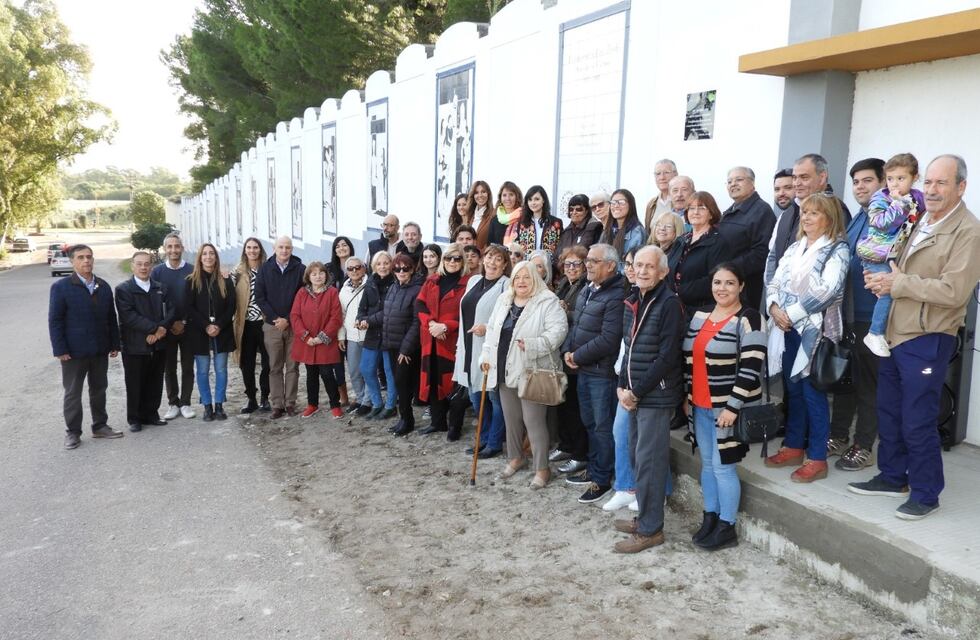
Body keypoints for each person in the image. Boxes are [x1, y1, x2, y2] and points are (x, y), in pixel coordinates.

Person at [851, 154, 980, 520]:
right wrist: (882, 281)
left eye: (942, 183)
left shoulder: (969, 232)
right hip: (895, 330)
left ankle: (925, 493)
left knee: (917, 418)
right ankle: (893, 477)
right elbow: (899, 267)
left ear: (961, 187)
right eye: (929, 182)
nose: (932, 190)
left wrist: (898, 283)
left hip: (927, 335)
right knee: (889, 409)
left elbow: (954, 292)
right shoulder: (921, 217)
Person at [765, 193, 849, 482]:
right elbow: (775, 280)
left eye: (815, 213)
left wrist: (791, 313)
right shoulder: (794, 248)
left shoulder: (837, 249)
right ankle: (793, 446)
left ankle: (817, 457)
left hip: (815, 332)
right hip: (787, 329)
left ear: (829, 218)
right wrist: (774, 308)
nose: (807, 217)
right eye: (805, 212)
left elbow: (828, 290)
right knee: (793, 391)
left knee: (813, 393)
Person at [683, 262, 765, 550]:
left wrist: (733, 407)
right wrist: (686, 398)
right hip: (699, 404)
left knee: (723, 468)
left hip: (727, 409)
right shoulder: (700, 316)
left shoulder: (749, 318)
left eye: (730, 282)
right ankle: (711, 517)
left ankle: (727, 527)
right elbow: (688, 360)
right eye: (717, 282)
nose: (722, 288)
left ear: (741, 286)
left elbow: (751, 367)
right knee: (707, 465)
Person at [611, 245, 685, 553]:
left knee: (650, 463)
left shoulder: (669, 304)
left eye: (649, 266)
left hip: (655, 395)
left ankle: (651, 530)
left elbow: (667, 356)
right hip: (634, 393)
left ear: (663, 272)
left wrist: (636, 391)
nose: (641, 270)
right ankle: (644, 518)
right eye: (638, 265)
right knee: (637, 458)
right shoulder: (634, 299)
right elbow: (628, 349)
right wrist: (621, 386)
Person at [480, 260, 568, 489]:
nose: (521, 281)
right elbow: (492, 332)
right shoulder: (504, 299)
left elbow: (558, 332)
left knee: (533, 421)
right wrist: (485, 357)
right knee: (511, 419)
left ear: (535, 279)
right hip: (503, 367)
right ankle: (516, 457)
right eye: (517, 277)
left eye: (527, 277)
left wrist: (533, 345)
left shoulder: (547, 301)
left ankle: (542, 469)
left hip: (532, 370)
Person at [827, 158, 885, 471]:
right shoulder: (858, 218)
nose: (860, 187)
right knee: (845, 381)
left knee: (868, 386)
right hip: (848, 315)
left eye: (867, 180)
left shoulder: (890, 219)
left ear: (883, 182)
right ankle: (838, 436)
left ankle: (863, 445)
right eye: (856, 182)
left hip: (872, 317)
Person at [562, 244, 625, 504]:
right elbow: (576, 325)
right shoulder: (589, 289)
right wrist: (568, 350)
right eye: (587, 259)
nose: (587, 264)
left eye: (594, 261)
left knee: (602, 427)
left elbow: (609, 339)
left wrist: (577, 355)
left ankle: (602, 478)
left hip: (601, 373)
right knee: (589, 423)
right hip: (584, 369)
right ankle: (595, 467)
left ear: (610, 265)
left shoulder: (617, 294)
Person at [49, 244, 124, 449]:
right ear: (72, 261)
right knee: (73, 392)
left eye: (89, 257)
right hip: (73, 352)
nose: (86, 261)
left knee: (99, 389)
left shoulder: (103, 286)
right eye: (81, 257)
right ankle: (73, 432)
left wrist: (114, 343)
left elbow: (111, 317)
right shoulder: (61, 287)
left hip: (99, 349)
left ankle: (100, 426)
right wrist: (60, 349)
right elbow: (55, 320)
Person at [856, 154, 926, 357]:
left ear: (914, 177)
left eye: (901, 178)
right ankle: (874, 333)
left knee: (893, 292)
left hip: (895, 255)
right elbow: (881, 223)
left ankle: (887, 332)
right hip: (876, 254)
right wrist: (898, 203)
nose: (894, 184)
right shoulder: (881, 197)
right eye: (890, 178)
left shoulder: (918, 197)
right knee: (887, 292)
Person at [453, 244, 511, 457]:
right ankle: (483, 438)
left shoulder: (506, 285)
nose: (492, 262)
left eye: (498, 259)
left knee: (494, 399)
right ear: (482, 259)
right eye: (489, 257)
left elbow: (510, 318)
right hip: (469, 348)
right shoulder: (474, 280)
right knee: (476, 398)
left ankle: (494, 443)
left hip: (491, 350)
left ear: (504, 264)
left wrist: (487, 328)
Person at [766, 153, 852, 286]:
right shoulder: (788, 212)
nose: (797, 183)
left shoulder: (836, 211)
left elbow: (834, 261)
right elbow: (773, 255)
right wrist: (772, 292)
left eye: (804, 177)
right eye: (794, 178)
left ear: (822, 177)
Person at [416, 244, 471, 438]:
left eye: (457, 258)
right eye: (449, 258)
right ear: (443, 260)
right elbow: (420, 304)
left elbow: (470, 314)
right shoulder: (432, 280)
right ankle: (437, 422)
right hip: (430, 339)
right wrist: (431, 324)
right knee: (433, 381)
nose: (452, 262)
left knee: (454, 384)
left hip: (452, 341)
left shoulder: (469, 283)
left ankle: (455, 426)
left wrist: (446, 326)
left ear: (463, 261)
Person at [364, 253, 422, 436]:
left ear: (412, 270)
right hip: (391, 344)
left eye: (405, 268)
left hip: (405, 348)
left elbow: (417, 323)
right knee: (398, 382)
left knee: (403, 384)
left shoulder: (417, 290)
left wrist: (406, 349)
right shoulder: (394, 287)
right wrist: (368, 320)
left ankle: (407, 421)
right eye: (397, 268)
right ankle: (403, 419)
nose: (401, 271)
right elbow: (386, 313)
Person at [115, 251, 174, 432]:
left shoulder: (161, 288)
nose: (143, 267)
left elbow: (171, 311)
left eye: (147, 264)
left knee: (155, 380)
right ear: (132, 266)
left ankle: (151, 414)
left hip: (159, 343)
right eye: (139, 264)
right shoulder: (124, 289)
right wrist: (155, 329)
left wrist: (161, 329)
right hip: (135, 345)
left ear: (152, 266)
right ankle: (135, 418)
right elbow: (129, 317)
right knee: (135, 383)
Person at [604, 247, 639, 511]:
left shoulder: (663, 300)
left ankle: (652, 490)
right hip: (625, 375)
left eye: (635, 263)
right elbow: (626, 344)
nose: (631, 269)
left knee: (646, 440)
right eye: (627, 263)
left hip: (645, 381)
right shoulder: (630, 297)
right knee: (621, 432)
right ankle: (627, 486)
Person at [185, 243, 237, 421]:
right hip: (199, 332)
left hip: (222, 331)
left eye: (211, 253)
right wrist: (206, 326)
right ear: (200, 258)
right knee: (202, 370)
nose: (208, 257)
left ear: (216, 257)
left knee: (221, 369)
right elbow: (189, 308)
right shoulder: (191, 281)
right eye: (205, 254)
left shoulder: (225, 279)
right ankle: (207, 406)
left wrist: (218, 326)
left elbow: (231, 306)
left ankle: (219, 405)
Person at [255, 236, 305, 419]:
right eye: (281, 247)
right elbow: (260, 297)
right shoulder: (264, 269)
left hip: (293, 325)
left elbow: (303, 297)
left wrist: (289, 319)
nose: (284, 250)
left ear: (292, 249)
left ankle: (290, 403)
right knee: (274, 367)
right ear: (274, 248)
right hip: (272, 325)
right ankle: (277, 404)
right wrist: (276, 318)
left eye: (288, 247)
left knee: (292, 367)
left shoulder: (300, 269)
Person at [550, 245, 590, 475]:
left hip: (576, 352)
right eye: (567, 264)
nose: (572, 268)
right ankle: (566, 445)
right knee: (563, 404)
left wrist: (565, 312)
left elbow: (586, 317)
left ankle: (579, 454)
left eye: (576, 264)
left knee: (575, 407)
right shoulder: (564, 283)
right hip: (561, 351)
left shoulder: (585, 285)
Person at [290, 261, 344, 419]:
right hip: (307, 342)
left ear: (326, 275)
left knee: (327, 374)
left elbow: (336, 318)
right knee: (311, 374)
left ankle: (335, 405)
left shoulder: (332, 292)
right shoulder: (302, 293)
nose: (318, 276)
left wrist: (322, 337)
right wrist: (305, 336)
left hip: (325, 342)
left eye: (321, 273)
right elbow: (295, 316)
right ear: (308, 277)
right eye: (314, 274)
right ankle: (312, 405)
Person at [718, 167, 777, 309]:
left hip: (744, 288)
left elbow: (761, 253)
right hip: (725, 283)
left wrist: (728, 268)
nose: (733, 184)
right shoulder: (729, 212)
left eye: (739, 179)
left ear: (752, 183)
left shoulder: (762, 211)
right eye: (729, 181)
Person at [151, 232, 195, 420]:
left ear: (182, 248)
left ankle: (185, 403)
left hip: (188, 327)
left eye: (177, 246)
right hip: (166, 329)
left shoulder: (192, 270)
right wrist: (167, 324)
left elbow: (196, 300)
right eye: (169, 246)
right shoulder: (157, 272)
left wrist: (183, 321)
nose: (173, 250)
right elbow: (155, 301)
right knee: (169, 368)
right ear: (164, 249)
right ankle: (173, 403)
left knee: (187, 367)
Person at [670, 191, 730, 317]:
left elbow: (715, 278)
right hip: (674, 305)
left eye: (701, 208)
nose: (695, 212)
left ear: (711, 213)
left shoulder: (718, 242)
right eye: (691, 208)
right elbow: (667, 269)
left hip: (700, 310)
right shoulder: (681, 239)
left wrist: (680, 292)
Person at [356, 251, 397, 420]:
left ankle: (391, 406)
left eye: (386, 263)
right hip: (372, 334)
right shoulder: (370, 283)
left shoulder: (396, 283)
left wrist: (368, 321)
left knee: (389, 371)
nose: (382, 267)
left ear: (391, 264)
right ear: (373, 266)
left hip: (389, 332)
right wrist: (360, 319)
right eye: (379, 264)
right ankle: (377, 403)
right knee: (366, 369)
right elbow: (362, 308)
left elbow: (389, 311)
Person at [232, 237, 271, 413]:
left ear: (260, 250)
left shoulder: (268, 269)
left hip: (264, 323)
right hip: (245, 324)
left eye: (255, 247)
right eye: (249, 247)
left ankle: (265, 397)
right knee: (246, 364)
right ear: (245, 250)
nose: (252, 250)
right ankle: (251, 398)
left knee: (268, 363)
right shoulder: (238, 271)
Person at [338, 256, 369, 415]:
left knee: (369, 371)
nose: (355, 271)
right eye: (350, 268)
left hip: (369, 336)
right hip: (351, 336)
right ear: (347, 271)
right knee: (354, 371)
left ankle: (368, 401)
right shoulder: (344, 290)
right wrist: (341, 336)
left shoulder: (371, 285)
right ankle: (360, 397)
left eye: (358, 267)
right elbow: (341, 315)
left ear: (364, 268)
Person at [598, 188, 647, 271]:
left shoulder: (637, 232)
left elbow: (632, 266)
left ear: (630, 205)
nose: (616, 206)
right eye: (613, 202)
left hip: (624, 276)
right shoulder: (608, 230)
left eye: (621, 202)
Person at [509, 185, 563, 258]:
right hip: (527, 263)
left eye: (536, 199)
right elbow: (516, 246)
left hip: (549, 263)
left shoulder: (556, 223)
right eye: (530, 200)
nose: (533, 203)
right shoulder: (522, 223)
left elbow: (560, 247)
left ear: (543, 200)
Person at [555, 194, 602, 272]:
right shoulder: (566, 231)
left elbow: (588, 253)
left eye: (579, 209)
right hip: (565, 273)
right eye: (571, 209)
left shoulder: (595, 227)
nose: (574, 212)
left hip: (585, 273)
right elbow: (557, 255)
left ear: (587, 211)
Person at [644, 159, 679, 232]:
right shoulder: (651, 204)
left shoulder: (682, 202)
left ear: (676, 174)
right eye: (658, 174)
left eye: (666, 172)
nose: (662, 177)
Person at [491, 181, 523, 246]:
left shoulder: (523, 218)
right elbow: (490, 244)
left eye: (511, 195)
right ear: (500, 198)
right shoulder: (495, 220)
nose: (508, 198)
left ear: (517, 197)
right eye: (504, 195)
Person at [469, 180, 497, 248]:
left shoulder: (494, 214)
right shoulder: (470, 214)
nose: (480, 195)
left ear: (488, 194)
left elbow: (494, 242)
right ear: (473, 196)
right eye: (476, 193)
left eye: (483, 192)